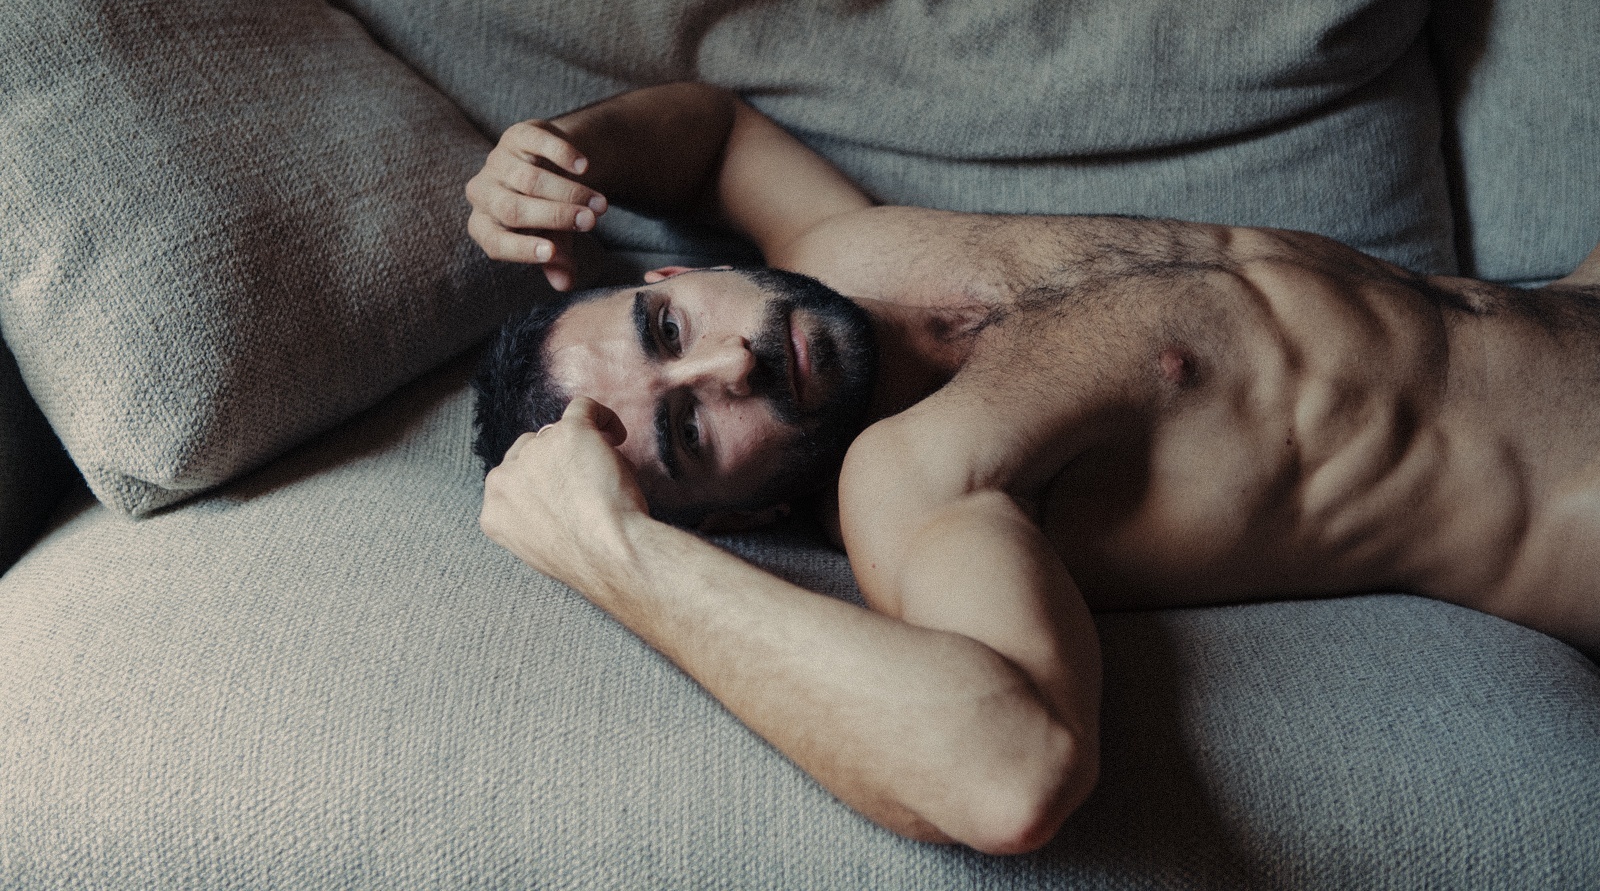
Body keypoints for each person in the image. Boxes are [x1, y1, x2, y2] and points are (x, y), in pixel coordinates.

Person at [465, 81, 1600, 855]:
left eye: (668, 331)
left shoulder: (829, 254)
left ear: (677, 277)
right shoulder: (914, 481)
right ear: (746, 512)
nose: (732, 361)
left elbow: (714, 133)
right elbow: (1008, 774)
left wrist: (559, 152)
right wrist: (618, 551)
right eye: (689, 432)